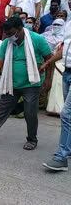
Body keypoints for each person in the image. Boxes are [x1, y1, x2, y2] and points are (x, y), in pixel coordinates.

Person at [0, 17, 52, 151]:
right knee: (1, 109)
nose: (8, 36)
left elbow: (49, 58)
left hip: (32, 84)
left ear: (20, 29)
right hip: (11, 82)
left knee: (30, 113)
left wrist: (48, 80)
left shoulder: (37, 39)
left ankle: (32, 139)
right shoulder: (6, 43)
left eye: (11, 33)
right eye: (6, 34)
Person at [41, 19, 71, 171]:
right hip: (67, 73)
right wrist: (48, 62)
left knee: (66, 114)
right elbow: (64, 50)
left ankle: (62, 157)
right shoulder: (69, 24)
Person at [42, 19, 65, 115]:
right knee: (53, 87)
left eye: (58, 25)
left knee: (61, 88)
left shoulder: (65, 39)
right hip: (53, 64)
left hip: (63, 65)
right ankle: (51, 108)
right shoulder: (46, 35)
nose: (56, 26)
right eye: (54, 24)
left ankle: (61, 109)